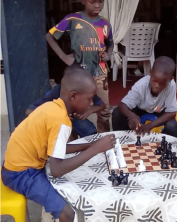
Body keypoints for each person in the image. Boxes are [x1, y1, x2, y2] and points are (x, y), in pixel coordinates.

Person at [1, 65, 116, 221]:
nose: (91, 104)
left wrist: (90, 145)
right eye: (89, 99)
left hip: (16, 165)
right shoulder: (61, 121)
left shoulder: (52, 107)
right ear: (73, 96)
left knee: (73, 184)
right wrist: (95, 148)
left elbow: (58, 148)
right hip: (21, 173)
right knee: (67, 213)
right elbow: (57, 168)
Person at [46, 0, 113, 133]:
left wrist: (109, 54)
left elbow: (110, 44)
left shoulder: (105, 23)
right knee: (74, 110)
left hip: (100, 73)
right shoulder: (72, 19)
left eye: (100, 1)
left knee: (104, 110)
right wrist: (63, 56)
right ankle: (76, 141)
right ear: (83, 1)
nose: (97, 5)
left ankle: (105, 141)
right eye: (92, 1)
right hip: (79, 75)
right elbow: (49, 36)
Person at [25, 64, 105, 138]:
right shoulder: (56, 92)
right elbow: (29, 111)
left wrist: (88, 111)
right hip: (58, 120)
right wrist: (56, 116)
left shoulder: (85, 89)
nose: (91, 103)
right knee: (65, 136)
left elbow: (102, 105)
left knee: (91, 133)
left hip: (75, 119)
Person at [112, 56, 177, 139]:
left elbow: (172, 112)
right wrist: (131, 116)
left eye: (162, 83)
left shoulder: (171, 85)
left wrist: (150, 125)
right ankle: (121, 139)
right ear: (150, 73)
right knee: (117, 113)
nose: (157, 86)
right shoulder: (141, 85)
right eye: (154, 81)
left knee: (172, 126)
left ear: (171, 79)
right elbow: (122, 105)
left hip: (160, 110)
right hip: (141, 109)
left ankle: (174, 147)